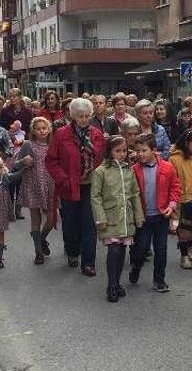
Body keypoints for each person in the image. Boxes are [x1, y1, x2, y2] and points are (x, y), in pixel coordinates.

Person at [45, 97, 105, 277]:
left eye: (87, 116)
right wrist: (62, 179)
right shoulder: (61, 134)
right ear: (73, 116)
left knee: (89, 225)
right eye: (80, 116)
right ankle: (72, 252)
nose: (84, 119)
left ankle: (88, 263)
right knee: (71, 224)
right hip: (69, 185)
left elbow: (101, 160)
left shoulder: (96, 134)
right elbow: (51, 160)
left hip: (91, 185)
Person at [92, 136, 145, 302]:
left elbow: (135, 194)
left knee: (122, 250)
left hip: (126, 218)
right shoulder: (101, 171)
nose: (122, 154)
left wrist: (138, 215)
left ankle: (117, 282)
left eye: (124, 151)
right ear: (109, 152)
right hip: (110, 217)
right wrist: (100, 218)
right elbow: (95, 197)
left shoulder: (128, 170)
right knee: (113, 250)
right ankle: (111, 285)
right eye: (117, 151)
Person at [129, 134, 181, 292]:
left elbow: (175, 187)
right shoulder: (134, 170)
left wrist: (172, 205)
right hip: (143, 217)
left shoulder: (167, 167)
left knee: (161, 249)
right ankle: (136, 268)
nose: (140, 154)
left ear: (154, 151)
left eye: (144, 150)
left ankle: (159, 280)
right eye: (137, 151)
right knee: (141, 248)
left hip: (160, 216)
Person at [14, 117, 55, 265]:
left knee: (52, 218)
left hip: (50, 184)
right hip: (32, 183)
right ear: (33, 131)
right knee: (35, 218)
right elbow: (16, 164)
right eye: (38, 128)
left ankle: (42, 238)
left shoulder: (53, 144)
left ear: (49, 129)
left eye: (44, 128)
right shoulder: (27, 144)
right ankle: (38, 252)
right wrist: (23, 161)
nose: (42, 131)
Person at [168, 129, 192, 269]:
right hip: (181, 199)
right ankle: (184, 256)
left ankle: (189, 248)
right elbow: (172, 180)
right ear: (186, 143)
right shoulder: (174, 159)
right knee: (183, 228)